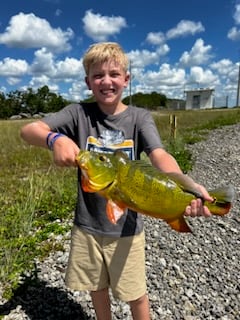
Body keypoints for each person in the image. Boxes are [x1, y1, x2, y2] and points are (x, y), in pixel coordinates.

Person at [20, 42, 213, 320]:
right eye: (98, 75)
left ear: (126, 79)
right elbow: (28, 131)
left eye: (113, 74)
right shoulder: (78, 114)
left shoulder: (139, 118)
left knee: (135, 293)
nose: (106, 81)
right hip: (87, 226)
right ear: (88, 82)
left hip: (127, 231)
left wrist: (188, 185)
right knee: (97, 289)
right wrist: (55, 139)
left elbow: (159, 155)